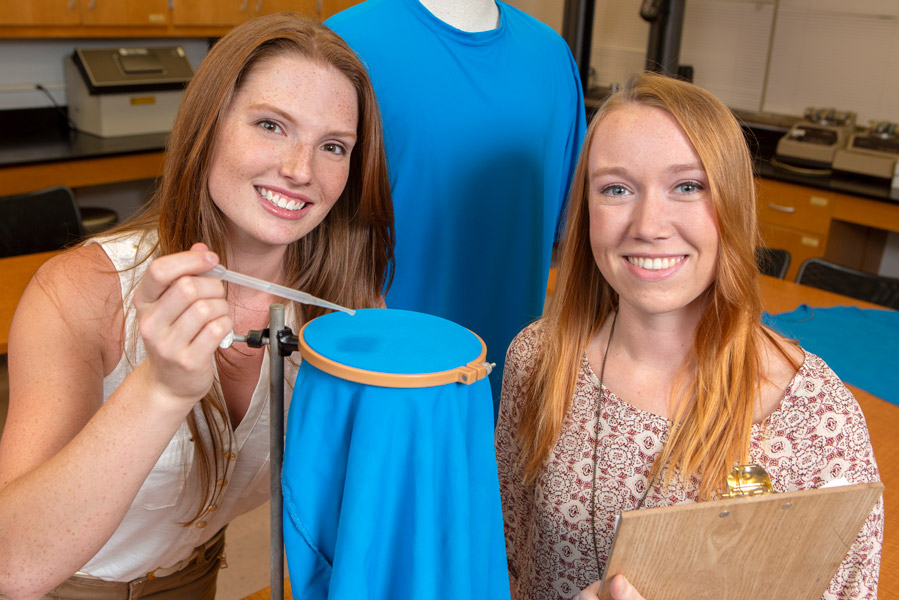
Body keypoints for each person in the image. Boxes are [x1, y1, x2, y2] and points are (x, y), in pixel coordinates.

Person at [0, 12, 393, 599]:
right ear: (208, 124)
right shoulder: (79, 293)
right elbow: (12, 567)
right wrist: (159, 388)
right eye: (270, 125)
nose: (300, 170)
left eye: (332, 146)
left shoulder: (346, 309)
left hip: (195, 577)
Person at [495, 71, 883, 600]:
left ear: (732, 205)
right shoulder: (538, 360)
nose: (649, 224)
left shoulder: (819, 420)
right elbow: (507, 565)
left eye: (687, 186)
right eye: (616, 188)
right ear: (585, 209)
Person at [327, 0, 586, 412]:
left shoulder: (552, 58)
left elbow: (562, 242)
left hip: (504, 395)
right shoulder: (345, 43)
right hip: (376, 383)